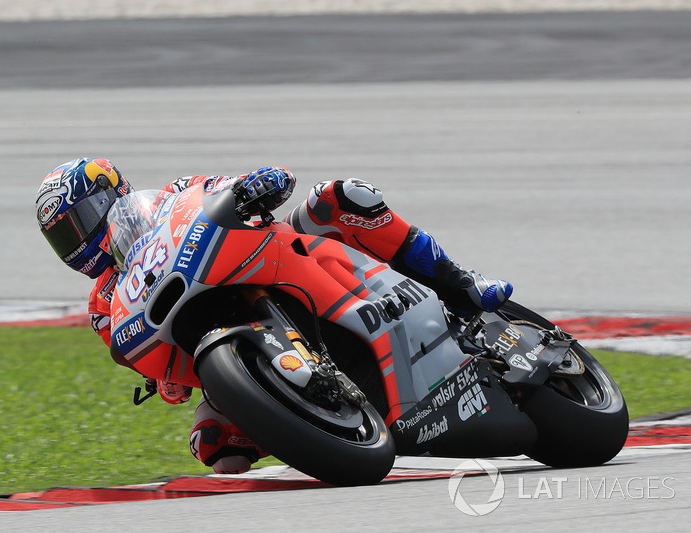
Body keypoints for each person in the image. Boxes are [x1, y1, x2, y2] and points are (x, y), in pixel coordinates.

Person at [36, 158, 512, 475]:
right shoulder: (104, 305)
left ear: (107, 196)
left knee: (343, 196)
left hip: (277, 262)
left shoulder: (172, 198)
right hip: (235, 342)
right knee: (213, 445)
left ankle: (459, 282)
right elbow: (150, 365)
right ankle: (321, 427)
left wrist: (258, 184)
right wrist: (168, 381)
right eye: (62, 237)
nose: (75, 244)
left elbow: (226, 192)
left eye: (76, 223)